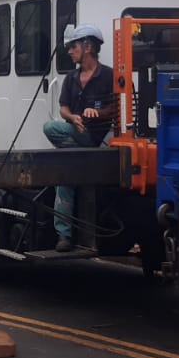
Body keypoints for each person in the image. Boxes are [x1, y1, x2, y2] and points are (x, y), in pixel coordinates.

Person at [42, 24, 117, 252]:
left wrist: (99, 113)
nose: (70, 51)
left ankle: (64, 236)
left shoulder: (108, 75)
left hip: (98, 136)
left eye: (73, 46)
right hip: (77, 134)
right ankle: (64, 237)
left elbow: (117, 107)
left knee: (54, 139)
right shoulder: (71, 78)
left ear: (88, 46)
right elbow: (63, 108)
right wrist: (73, 117)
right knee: (52, 133)